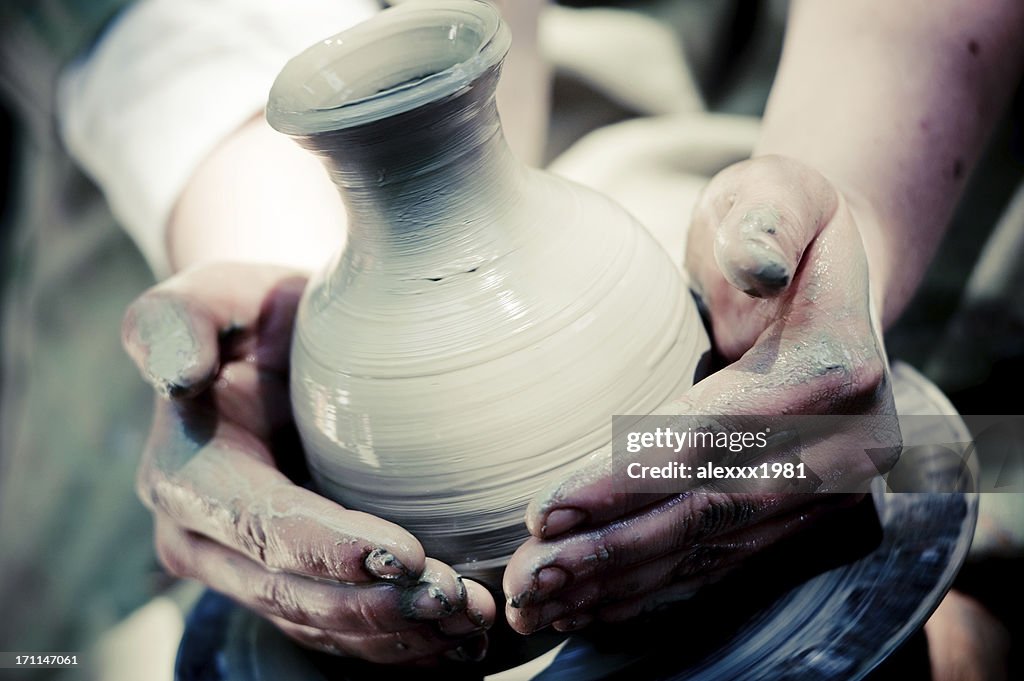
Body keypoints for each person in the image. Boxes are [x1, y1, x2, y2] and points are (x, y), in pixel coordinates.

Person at [2, 0, 1021, 676]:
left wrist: (840, 234)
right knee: (128, 612)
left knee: (934, 478)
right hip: (278, 78)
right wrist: (293, 330)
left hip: (902, 56)